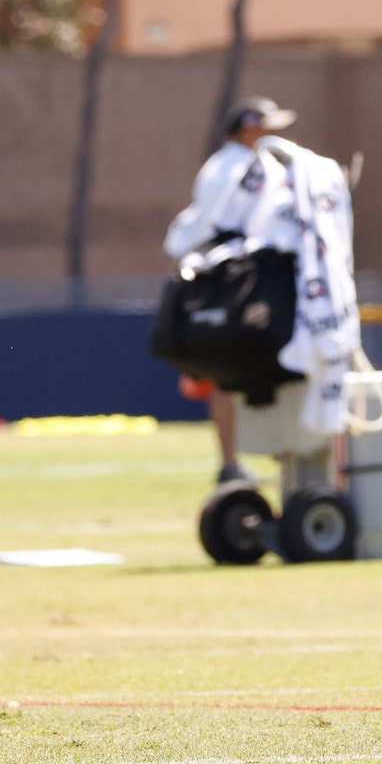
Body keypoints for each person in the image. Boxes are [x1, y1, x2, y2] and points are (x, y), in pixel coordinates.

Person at [166, 97, 296, 485]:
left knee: (225, 374)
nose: (273, 133)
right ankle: (277, 455)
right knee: (259, 364)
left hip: (212, 275)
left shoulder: (220, 164)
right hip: (240, 277)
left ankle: (232, 461)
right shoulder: (245, 167)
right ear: (248, 127)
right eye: (266, 125)